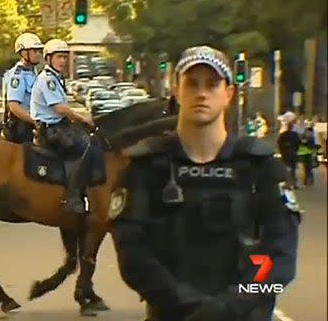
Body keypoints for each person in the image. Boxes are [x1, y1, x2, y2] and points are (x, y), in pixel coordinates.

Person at [110, 46, 300, 321]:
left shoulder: (263, 168)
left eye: (212, 84)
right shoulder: (145, 167)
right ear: (177, 90)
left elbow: (280, 260)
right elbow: (133, 257)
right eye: (192, 84)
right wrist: (188, 305)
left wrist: (232, 306)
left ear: (229, 94)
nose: (202, 93)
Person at [30, 38, 95, 213]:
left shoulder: (56, 78)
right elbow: (60, 109)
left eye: (65, 57)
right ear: (48, 58)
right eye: (59, 57)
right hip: (51, 130)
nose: (62, 61)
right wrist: (82, 118)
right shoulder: (47, 80)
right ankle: (73, 198)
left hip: (60, 126)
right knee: (85, 151)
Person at [2, 32, 43, 143]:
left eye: (39, 51)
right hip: (22, 128)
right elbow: (14, 106)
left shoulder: (32, 71)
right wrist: (35, 121)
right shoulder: (17, 75)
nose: (38, 54)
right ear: (24, 53)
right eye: (35, 51)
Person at [277, 122, 301, 188]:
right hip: (293, 153)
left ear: (287, 126)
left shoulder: (283, 134)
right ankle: (294, 184)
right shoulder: (295, 134)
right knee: (293, 169)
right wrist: (296, 150)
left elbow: (279, 143)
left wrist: (281, 151)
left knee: (286, 169)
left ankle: (288, 183)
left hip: (285, 153)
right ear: (292, 127)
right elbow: (298, 143)